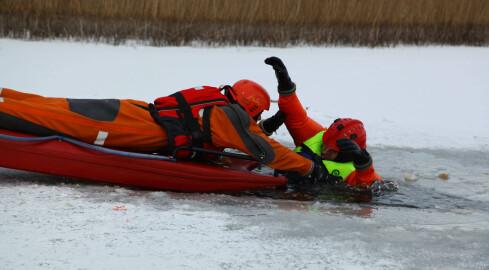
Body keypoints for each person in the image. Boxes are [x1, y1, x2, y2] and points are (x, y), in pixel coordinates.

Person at [0, 81, 327, 181]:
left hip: (134, 111)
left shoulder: (218, 100)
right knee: (49, 117)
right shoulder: (230, 117)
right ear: (250, 107)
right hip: (128, 127)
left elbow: (246, 135)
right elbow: (267, 152)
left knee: (47, 106)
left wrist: (268, 126)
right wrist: (312, 168)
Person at [259, 56, 383, 187]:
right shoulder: (318, 136)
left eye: (331, 150)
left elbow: (369, 189)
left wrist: (364, 164)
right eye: (325, 145)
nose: (325, 151)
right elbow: (295, 117)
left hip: (313, 202)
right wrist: (286, 85)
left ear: (345, 155)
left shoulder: (354, 172)